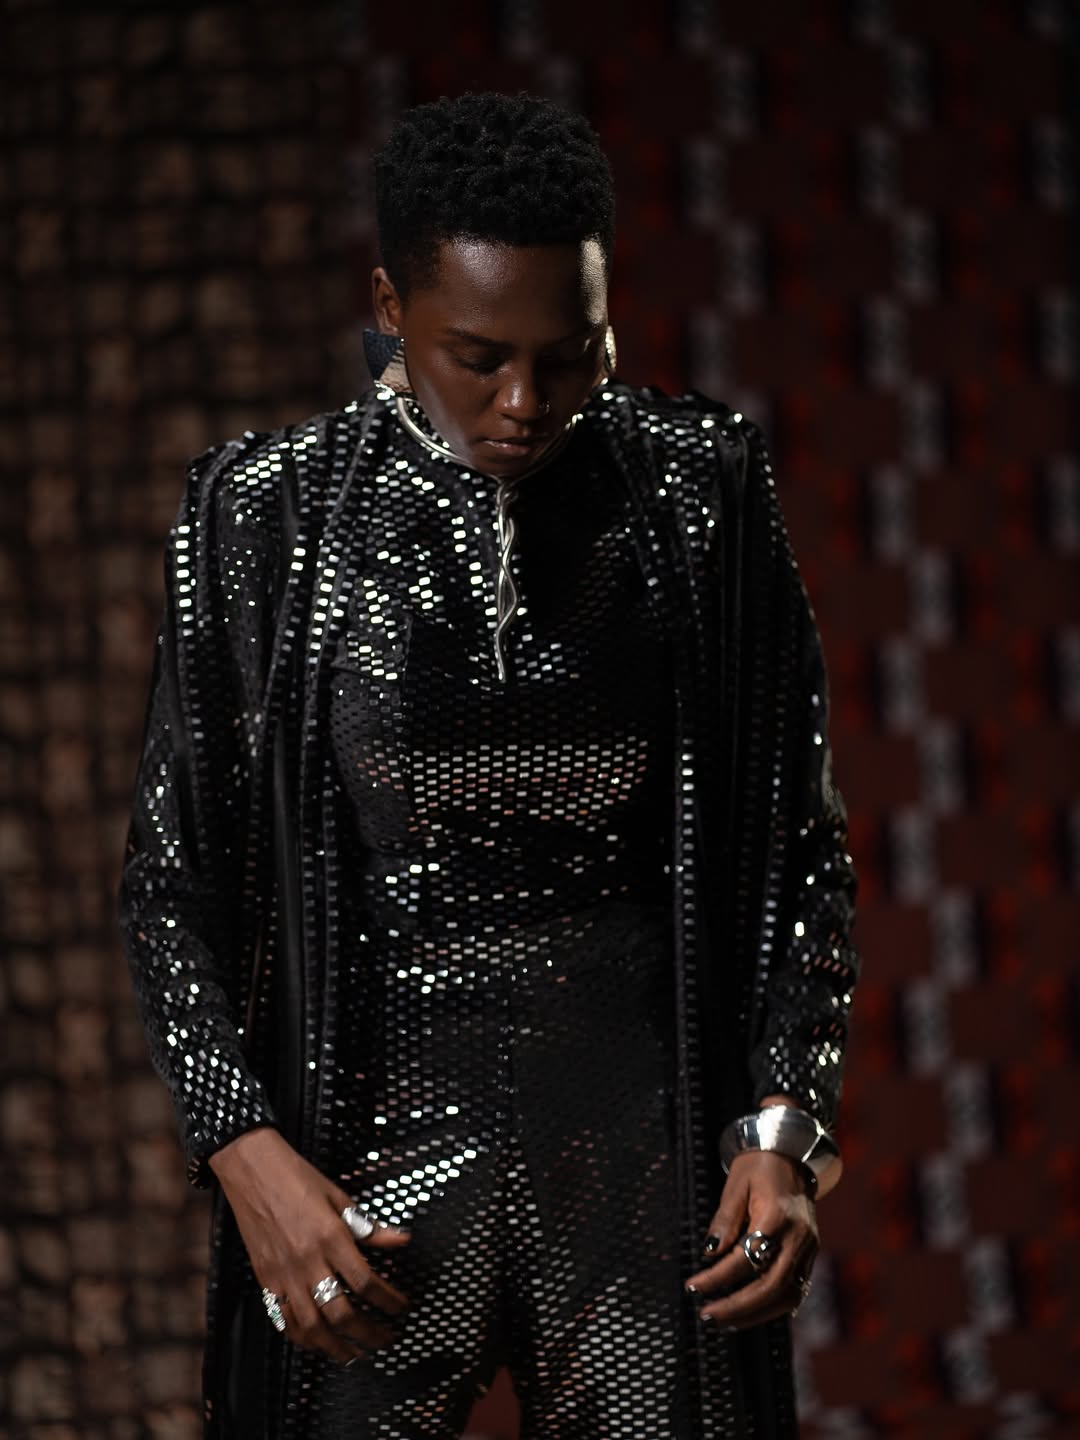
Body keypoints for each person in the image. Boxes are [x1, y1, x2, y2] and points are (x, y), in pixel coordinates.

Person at [117, 91, 859, 1439]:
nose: (525, 404)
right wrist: (244, 1155)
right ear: (389, 308)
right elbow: (169, 885)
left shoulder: (699, 495)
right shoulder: (264, 513)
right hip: (365, 1174)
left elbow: (803, 843)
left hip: (644, 1172)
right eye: (478, 357)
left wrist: (782, 1126)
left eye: (573, 356)